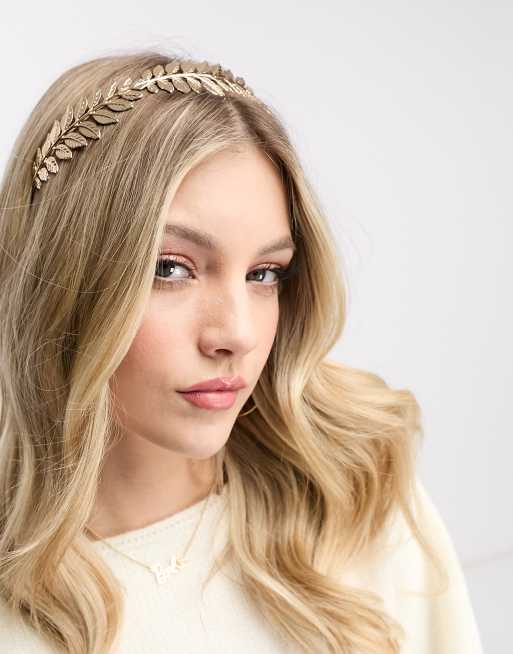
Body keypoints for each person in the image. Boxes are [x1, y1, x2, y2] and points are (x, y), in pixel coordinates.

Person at [0, 50, 483, 654]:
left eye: (264, 274)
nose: (237, 334)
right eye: (170, 268)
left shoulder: (357, 500)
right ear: (62, 279)